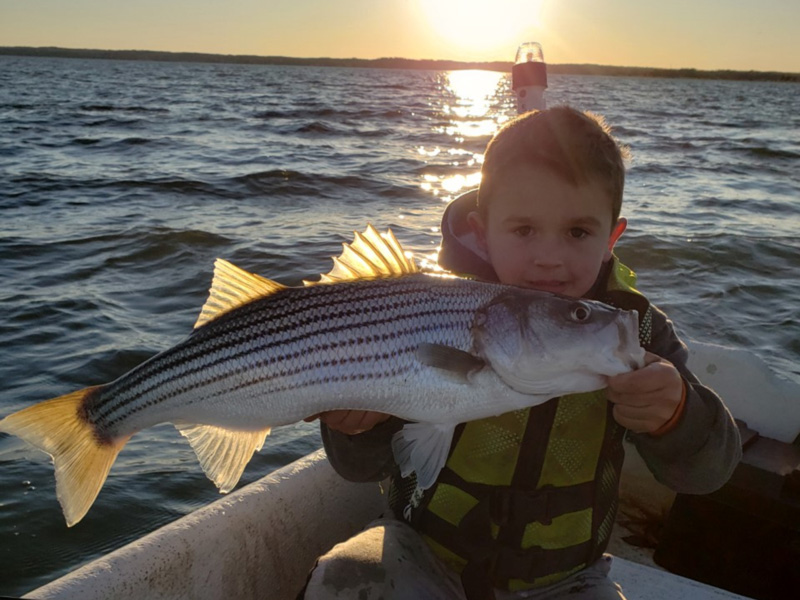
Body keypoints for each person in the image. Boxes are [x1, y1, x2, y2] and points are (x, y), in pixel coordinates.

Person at [301, 106, 742, 599]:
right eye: (523, 229)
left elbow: (709, 473)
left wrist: (676, 415)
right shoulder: (429, 311)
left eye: (577, 231)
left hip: (569, 580)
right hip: (423, 552)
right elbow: (358, 468)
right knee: (341, 582)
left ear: (610, 238)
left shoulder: (633, 333)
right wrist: (360, 425)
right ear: (482, 228)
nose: (549, 256)